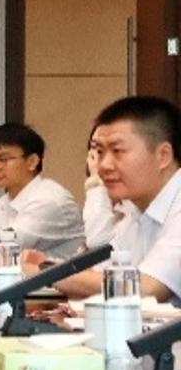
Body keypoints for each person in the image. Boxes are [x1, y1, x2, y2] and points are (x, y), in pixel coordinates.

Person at [34, 96, 181, 303]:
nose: (103, 165)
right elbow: (102, 274)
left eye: (117, 151)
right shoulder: (134, 211)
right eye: (99, 152)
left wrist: (40, 273)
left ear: (163, 156)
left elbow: (147, 288)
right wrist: (47, 265)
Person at [0, 122, 84, 258]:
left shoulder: (49, 201)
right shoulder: (4, 202)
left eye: (3, 159)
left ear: (32, 162)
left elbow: (5, 248)